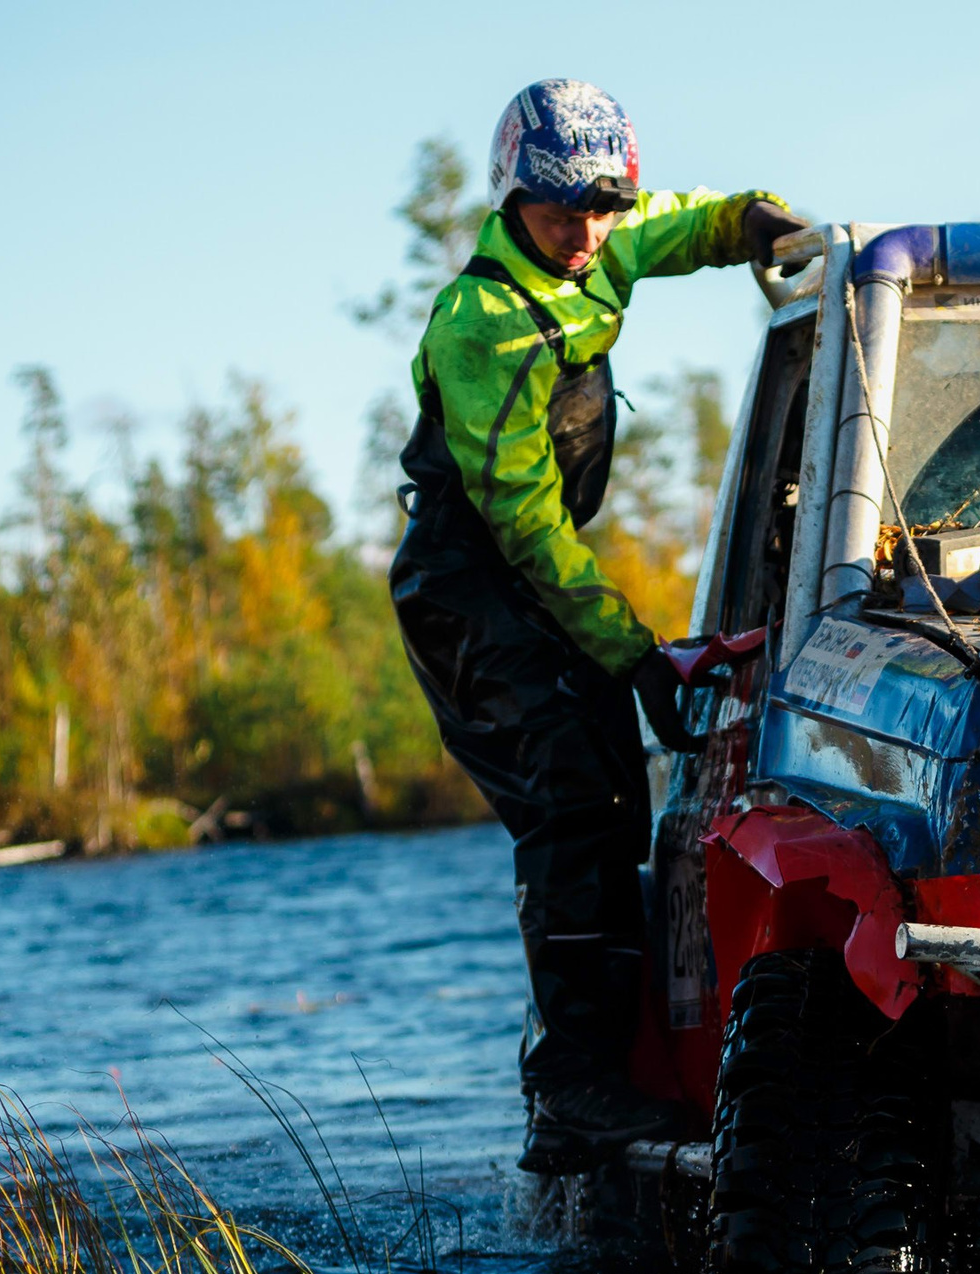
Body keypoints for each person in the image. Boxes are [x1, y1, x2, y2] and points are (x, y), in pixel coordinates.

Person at [390, 79, 802, 1174]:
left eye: (602, 208)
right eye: (559, 212)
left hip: (528, 589)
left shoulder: (605, 248)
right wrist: (630, 647)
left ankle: (607, 1076)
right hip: (469, 589)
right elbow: (524, 522)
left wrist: (767, 222)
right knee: (573, 809)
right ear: (514, 199)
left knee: (622, 799)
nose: (585, 234)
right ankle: (574, 1088)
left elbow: (697, 222)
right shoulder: (480, 324)